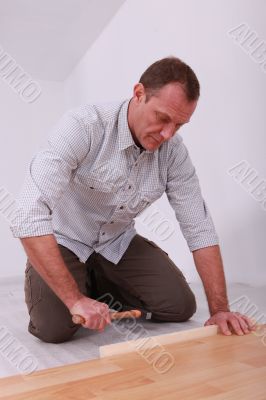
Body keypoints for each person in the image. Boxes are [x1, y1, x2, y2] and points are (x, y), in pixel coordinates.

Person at [10, 56, 255, 343]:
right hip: (67, 240)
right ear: (139, 94)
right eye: (163, 118)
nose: (168, 134)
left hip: (115, 243)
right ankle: (78, 287)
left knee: (180, 306)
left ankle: (96, 285)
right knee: (55, 328)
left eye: (179, 125)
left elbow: (198, 227)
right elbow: (27, 214)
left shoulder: (174, 153)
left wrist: (220, 310)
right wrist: (73, 299)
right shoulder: (83, 126)